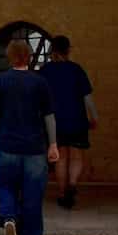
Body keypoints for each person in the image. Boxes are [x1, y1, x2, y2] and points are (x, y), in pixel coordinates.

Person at [0, 38, 60, 235]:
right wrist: (53, 144)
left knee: (5, 185)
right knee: (32, 192)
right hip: (34, 147)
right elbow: (49, 116)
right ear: (29, 57)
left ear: (9, 57)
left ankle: (9, 217)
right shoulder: (40, 82)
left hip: (6, 145)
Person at [40, 35, 97, 209]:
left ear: (52, 50)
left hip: (55, 122)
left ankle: (63, 192)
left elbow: (40, 99)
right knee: (77, 156)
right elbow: (87, 97)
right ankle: (72, 185)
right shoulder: (76, 70)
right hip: (77, 119)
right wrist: (94, 116)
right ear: (68, 50)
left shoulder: (45, 72)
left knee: (61, 157)